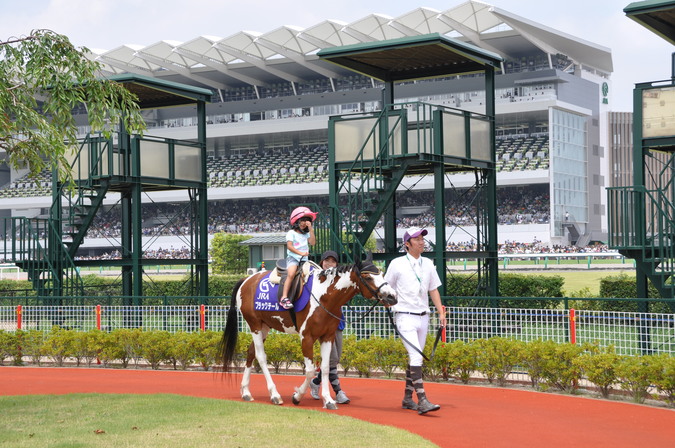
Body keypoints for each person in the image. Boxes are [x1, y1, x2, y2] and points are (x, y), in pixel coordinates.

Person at [384, 227, 447, 415]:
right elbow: (387, 288)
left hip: (424, 316)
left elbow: (433, 289)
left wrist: (441, 313)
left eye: (422, 238)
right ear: (407, 244)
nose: (421, 242)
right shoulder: (396, 264)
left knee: (415, 358)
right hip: (404, 316)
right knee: (416, 356)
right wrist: (387, 302)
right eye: (417, 239)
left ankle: (406, 398)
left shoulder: (428, 263)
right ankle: (422, 400)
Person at [309, 250, 350, 404]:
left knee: (336, 357)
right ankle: (338, 392)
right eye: (327, 261)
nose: (329, 264)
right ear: (322, 262)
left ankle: (316, 382)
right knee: (331, 358)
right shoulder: (316, 278)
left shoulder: (340, 280)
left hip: (337, 320)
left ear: (337, 264)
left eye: (333, 261)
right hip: (322, 322)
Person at [279, 206, 317, 310]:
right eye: (303, 220)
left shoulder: (307, 233)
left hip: (305, 260)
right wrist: (300, 253)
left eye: (308, 220)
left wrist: (311, 230)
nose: (305, 223)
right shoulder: (291, 233)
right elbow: (289, 246)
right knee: (291, 274)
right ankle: (284, 297)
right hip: (294, 258)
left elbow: (313, 243)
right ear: (297, 222)